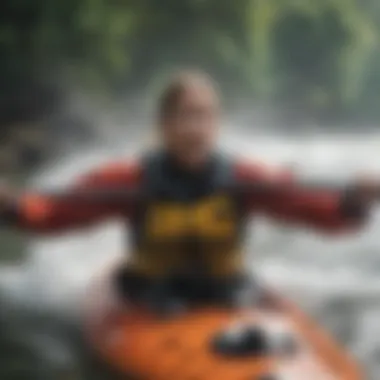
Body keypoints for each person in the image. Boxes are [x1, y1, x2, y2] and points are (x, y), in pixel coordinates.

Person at [0, 70, 378, 313]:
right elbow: (55, 214)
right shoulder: (129, 180)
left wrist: (355, 199)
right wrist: (12, 206)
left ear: (218, 124)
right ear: (164, 125)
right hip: (148, 299)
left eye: (206, 116)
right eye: (186, 116)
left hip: (230, 295)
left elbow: (313, 208)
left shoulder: (245, 177)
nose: (196, 128)